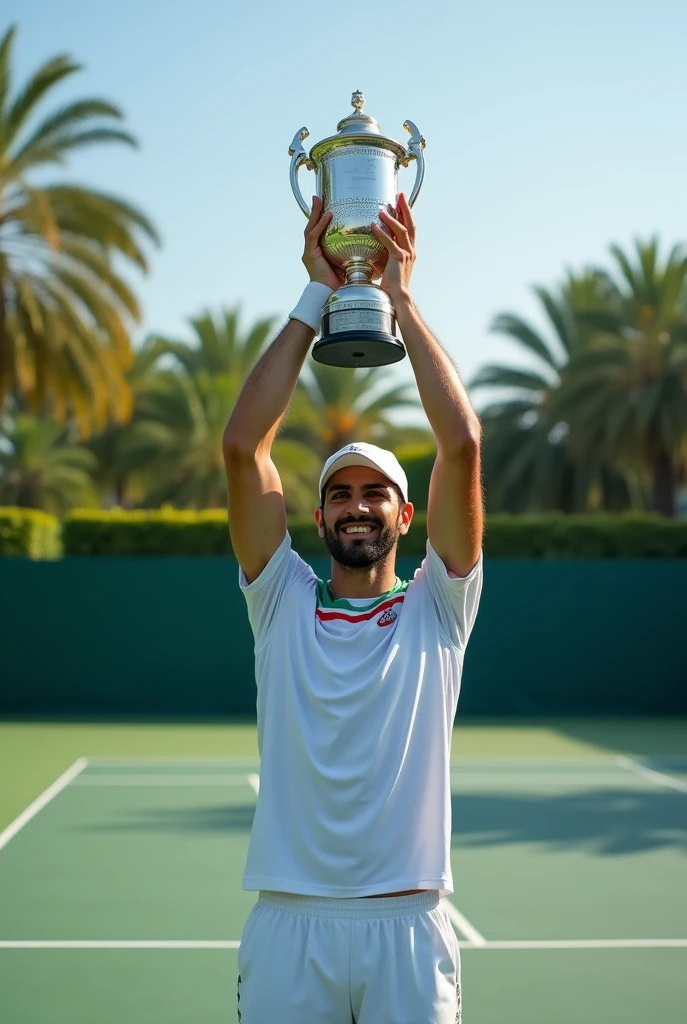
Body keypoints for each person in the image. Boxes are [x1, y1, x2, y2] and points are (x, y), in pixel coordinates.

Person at [223, 192, 483, 1023]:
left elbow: (463, 447)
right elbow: (241, 446)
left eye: (378, 493)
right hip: (288, 927)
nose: (359, 506)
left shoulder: (438, 608)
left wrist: (399, 301)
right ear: (320, 516)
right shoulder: (281, 599)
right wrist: (315, 294)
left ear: (407, 516)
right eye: (341, 494)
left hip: (409, 928)